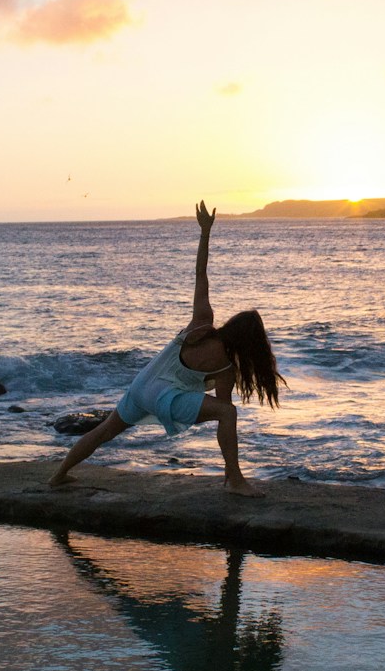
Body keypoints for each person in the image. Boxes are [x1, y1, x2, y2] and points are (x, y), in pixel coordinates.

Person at [49, 201, 282, 496]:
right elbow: (224, 411)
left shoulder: (201, 325)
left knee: (104, 432)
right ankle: (234, 480)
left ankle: (58, 475)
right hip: (162, 396)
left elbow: (201, 275)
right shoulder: (227, 368)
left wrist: (205, 232)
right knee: (228, 414)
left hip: (141, 385)